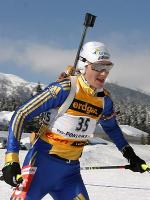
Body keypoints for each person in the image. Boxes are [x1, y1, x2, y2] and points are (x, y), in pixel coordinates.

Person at [2, 41, 148, 200]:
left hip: (69, 174)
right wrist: (11, 160)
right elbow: (21, 114)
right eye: (98, 67)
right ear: (84, 65)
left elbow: (111, 128)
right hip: (40, 167)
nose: (104, 73)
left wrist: (131, 156)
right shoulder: (63, 89)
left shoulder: (104, 100)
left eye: (107, 68)